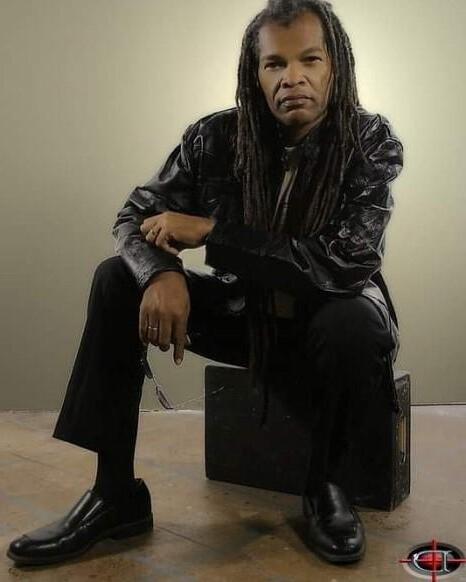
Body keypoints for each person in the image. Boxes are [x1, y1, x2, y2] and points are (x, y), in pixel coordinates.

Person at [7, 0, 403, 567]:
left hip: (325, 324)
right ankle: (115, 495)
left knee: (352, 320)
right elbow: (134, 217)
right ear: (254, 73)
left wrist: (215, 235)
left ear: (334, 65)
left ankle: (328, 490)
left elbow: (346, 262)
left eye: (310, 59)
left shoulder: (370, 141)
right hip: (245, 316)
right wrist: (162, 273)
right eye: (275, 64)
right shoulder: (215, 138)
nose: (292, 77)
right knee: (116, 279)